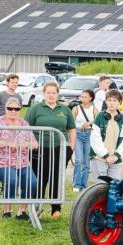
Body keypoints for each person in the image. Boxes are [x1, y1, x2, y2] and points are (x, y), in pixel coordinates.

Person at [26, 81, 76, 219]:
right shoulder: (36, 109)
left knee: (56, 177)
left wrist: (71, 147)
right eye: (48, 92)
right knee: (40, 178)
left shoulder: (65, 109)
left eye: (54, 92)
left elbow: (71, 129)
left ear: (58, 94)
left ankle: (56, 209)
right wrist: (32, 143)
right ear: (44, 93)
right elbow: (27, 128)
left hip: (60, 148)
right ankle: (37, 207)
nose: (51, 95)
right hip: (39, 149)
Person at [0, 98, 38, 220]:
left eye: (16, 109)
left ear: (20, 110)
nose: (13, 111)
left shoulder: (24, 124)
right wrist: (8, 143)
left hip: (23, 162)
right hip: (3, 162)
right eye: (10, 108)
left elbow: (35, 143)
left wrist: (28, 144)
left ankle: (22, 211)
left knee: (32, 182)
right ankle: (7, 210)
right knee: (11, 180)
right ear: (6, 109)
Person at [90, 90, 123, 182]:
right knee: (100, 188)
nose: (111, 103)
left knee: (114, 188)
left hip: (116, 160)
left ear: (119, 103)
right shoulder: (99, 116)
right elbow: (95, 139)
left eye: (114, 100)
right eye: (109, 100)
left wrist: (116, 156)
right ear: (106, 101)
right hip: (99, 159)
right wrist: (106, 156)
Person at [71, 90, 98, 192]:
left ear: (91, 98)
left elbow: (98, 123)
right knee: (78, 160)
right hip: (78, 134)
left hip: (89, 135)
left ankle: (83, 185)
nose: (83, 98)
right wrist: (79, 127)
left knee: (86, 162)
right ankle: (76, 184)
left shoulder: (94, 110)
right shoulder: (76, 109)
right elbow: (71, 123)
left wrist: (90, 123)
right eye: (82, 96)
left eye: (85, 97)